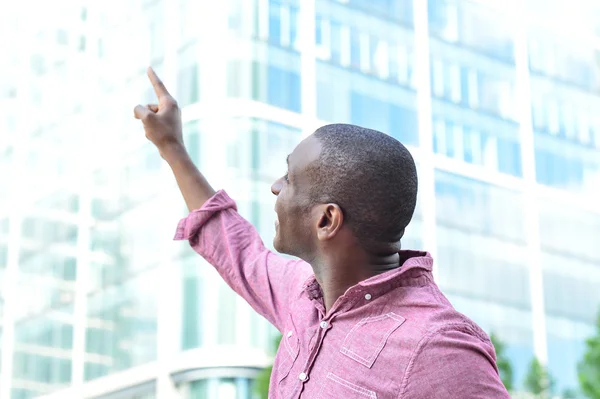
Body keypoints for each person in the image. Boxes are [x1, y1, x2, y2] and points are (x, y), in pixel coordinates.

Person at [134, 67, 511, 399]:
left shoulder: (439, 348)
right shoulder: (302, 295)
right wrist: (171, 146)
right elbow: (237, 248)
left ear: (326, 221)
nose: (276, 187)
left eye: (290, 178)